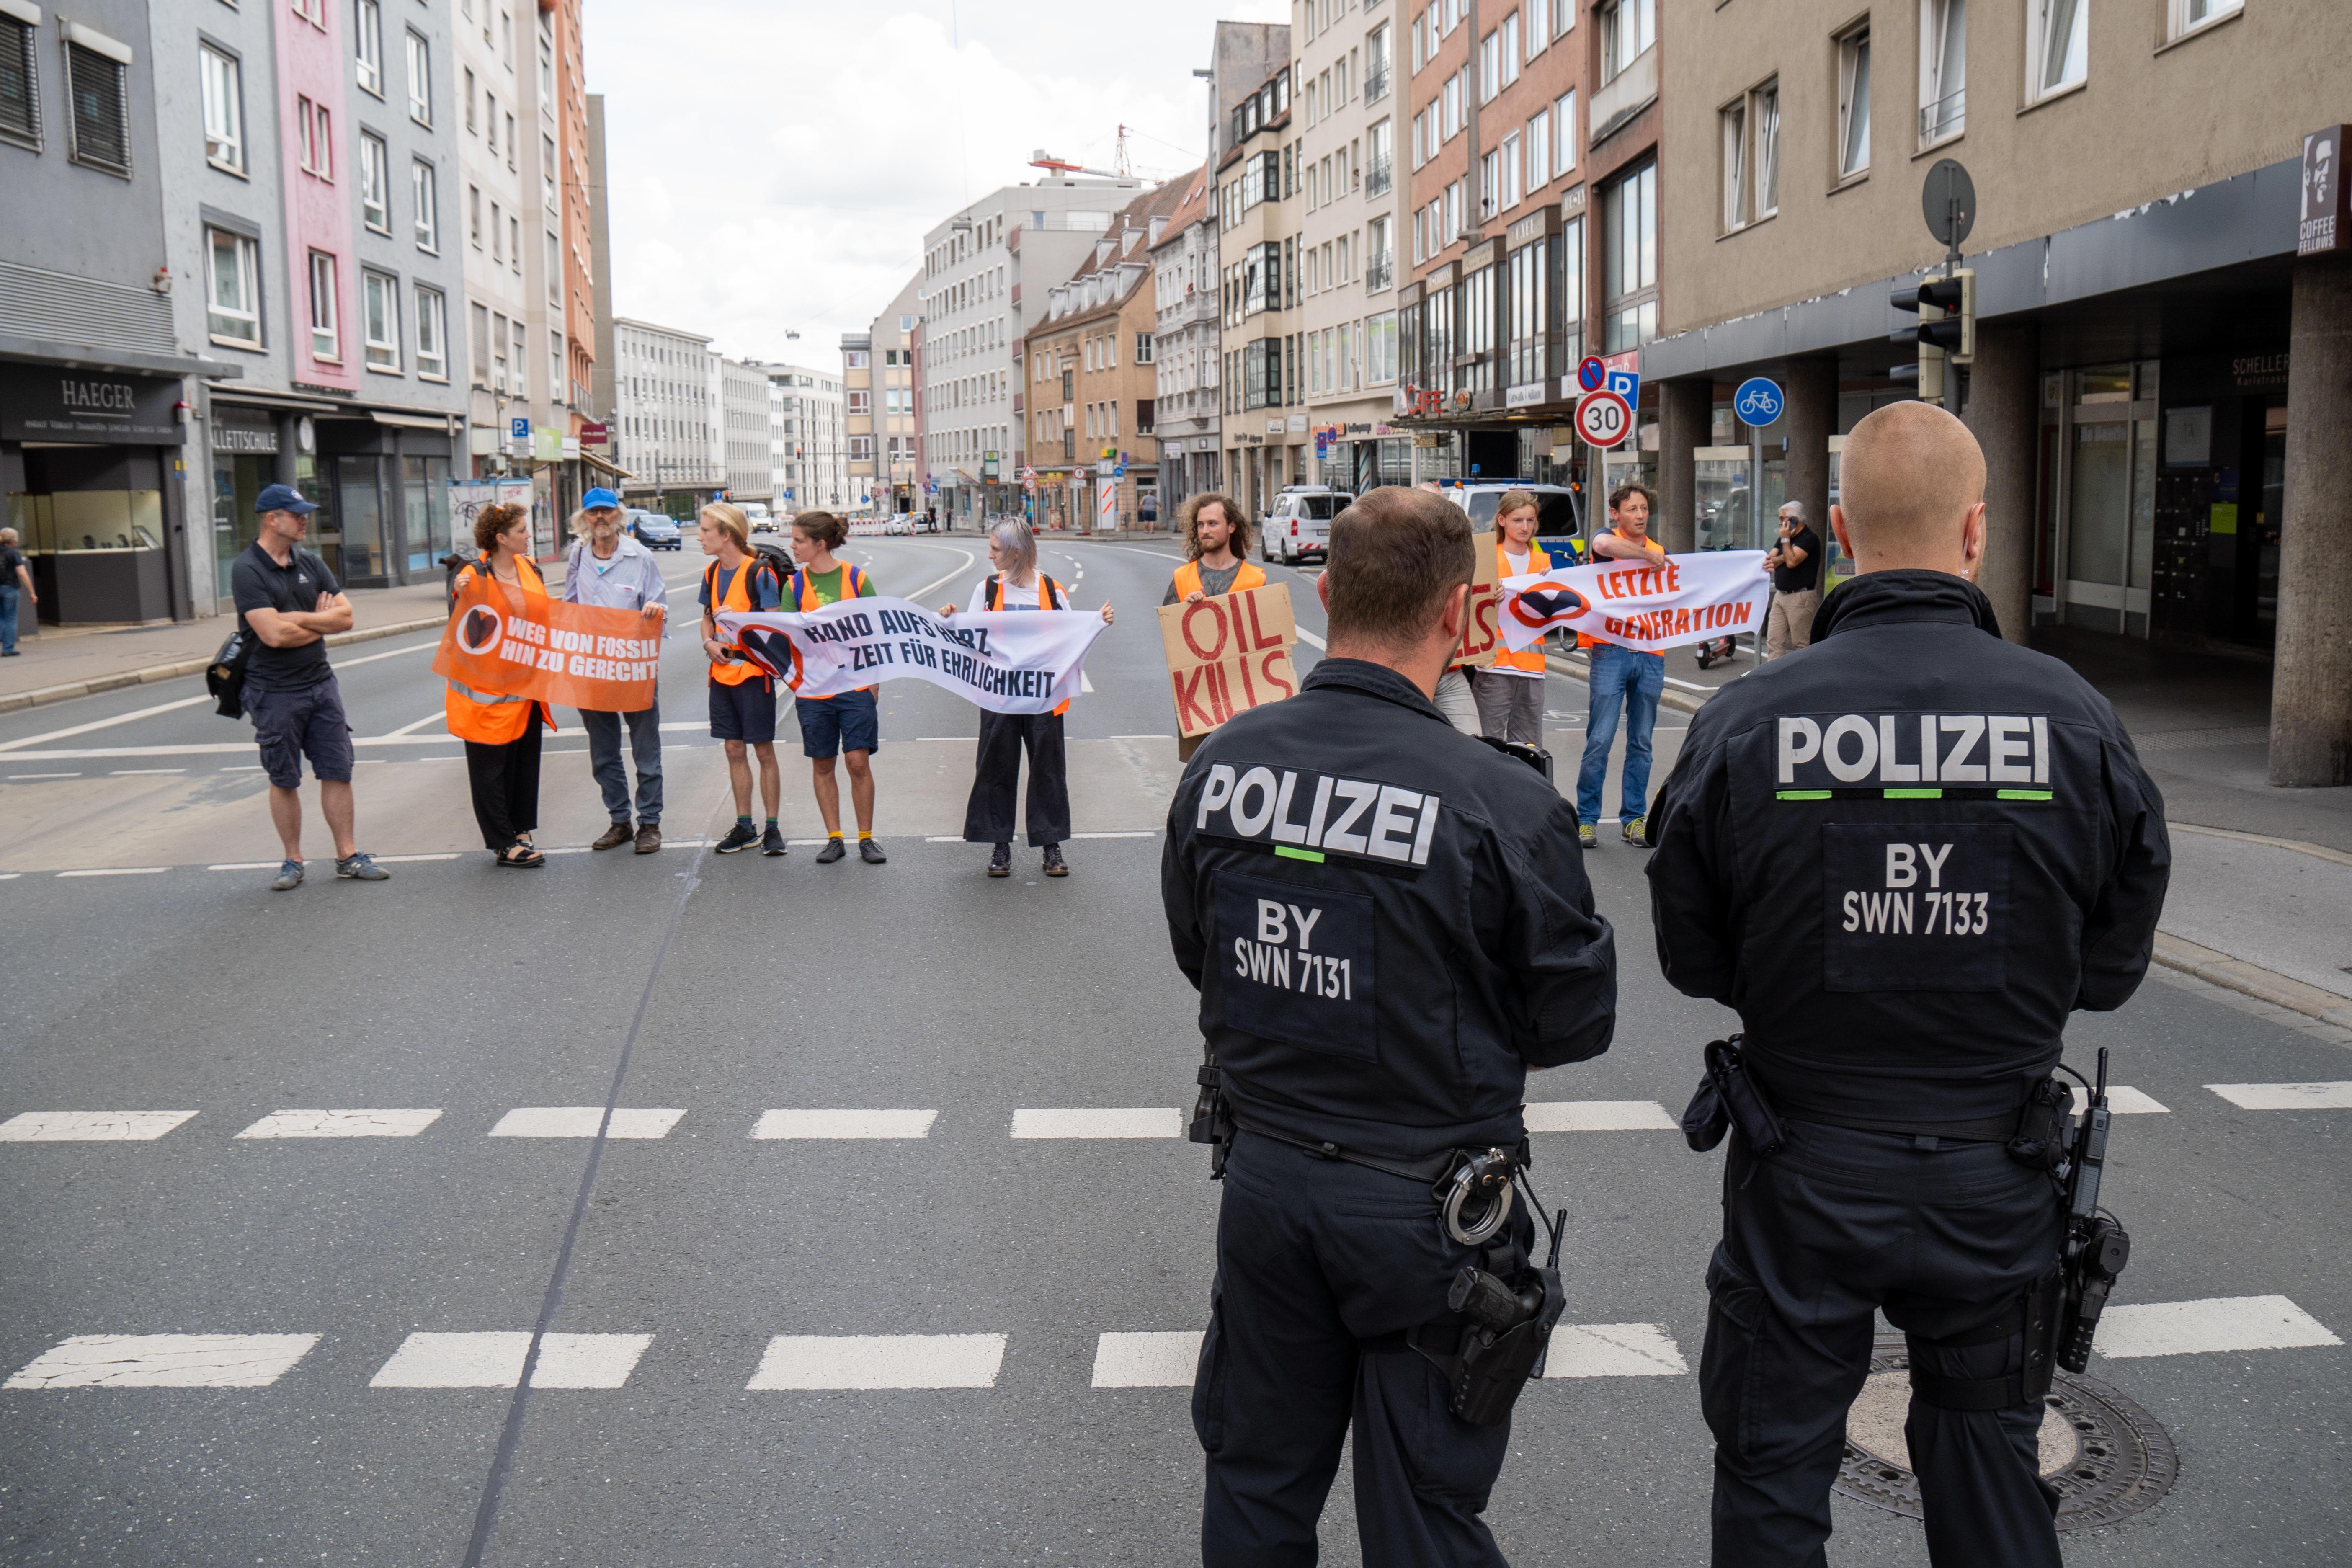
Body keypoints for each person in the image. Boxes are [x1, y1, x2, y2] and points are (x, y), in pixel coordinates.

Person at [1645, 401, 2171, 1568]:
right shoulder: (2075, 722)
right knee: (1991, 1473)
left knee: (1774, 1474)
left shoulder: (1749, 721)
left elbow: (1693, 956)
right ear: (1976, 532)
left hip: (1803, 1169)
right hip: (1998, 1170)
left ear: (1838, 527)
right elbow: (2113, 969)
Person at [1163, 484, 1618, 1567]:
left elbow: (1202, 956)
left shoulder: (1222, 767)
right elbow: (1574, 1021)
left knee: (1257, 1495)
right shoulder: (1502, 801)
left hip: (1269, 1189)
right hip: (1435, 1214)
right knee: (1424, 1520)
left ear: (1324, 594)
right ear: (1465, 616)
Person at [230, 483, 389, 890]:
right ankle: (293, 860)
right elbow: (273, 637)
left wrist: (293, 618)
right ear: (272, 519)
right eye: (296, 513)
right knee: (284, 777)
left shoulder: (312, 563)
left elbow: (346, 618)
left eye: (305, 513)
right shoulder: (247, 569)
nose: (306, 520)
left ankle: (348, 856)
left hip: (321, 684)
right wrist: (315, 621)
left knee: (338, 770)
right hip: (273, 690)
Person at [939, 517, 1113, 878]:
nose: (990, 556)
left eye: (996, 550)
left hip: (1043, 699)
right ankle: (1000, 847)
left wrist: (1096, 622)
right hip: (999, 697)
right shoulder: (986, 591)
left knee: (1048, 771)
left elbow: (1071, 639)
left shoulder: (1051, 591)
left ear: (1017, 553)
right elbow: (969, 641)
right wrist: (951, 620)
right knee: (995, 769)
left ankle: (1051, 846)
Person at [448, 502, 556, 868]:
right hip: (487, 693)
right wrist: (460, 593)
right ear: (501, 539)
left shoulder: (531, 569)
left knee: (524, 762)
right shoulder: (472, 574)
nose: (529, 535)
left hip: (525, 689)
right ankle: (502, 842)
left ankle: (521, 829)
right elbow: (462, 629)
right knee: (489, 769)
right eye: (523, 531)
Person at [563, 487, 667, 854]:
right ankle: (619, 821)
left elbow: (659, 605)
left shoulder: (640, 557)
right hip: (593, 670)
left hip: (634, 670)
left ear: (619, 516)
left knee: (645, 750)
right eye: (594, 514)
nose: (600, 519)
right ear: (585, 519)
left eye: (607, 512)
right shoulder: (578, 555)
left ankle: (650, 824)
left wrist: (655, 611)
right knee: (604, 753)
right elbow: (570, 607)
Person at [783, 510, 887, 864]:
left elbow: (877, 631)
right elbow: (783, 635)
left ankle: (866, 838)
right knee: (823, 763)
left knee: (857, 761)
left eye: (799, 541)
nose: (792, 546)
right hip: (814, 690)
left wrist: (874, 683)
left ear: (820, 544)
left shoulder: (857, 579)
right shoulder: (794, 586)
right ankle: (834, 837)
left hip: (855, 685)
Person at [1576, 482, 1667, 850]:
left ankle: (1634, 819)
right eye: (1632, 509)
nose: (1641, 515)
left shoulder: (1661, 551)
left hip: (1650, 652)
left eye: (1644, 508)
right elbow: (1602, 547)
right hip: (1610, 650)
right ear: (1616, 514)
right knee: (1599, 740)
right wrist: (1646, 558)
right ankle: (1586, 820)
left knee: (1642, 742)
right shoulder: (1606, 539)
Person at [697, 501, 788, 856]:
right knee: (734, 748)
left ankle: (773, 828)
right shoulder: (711, 573)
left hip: (753, 673)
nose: (701, 537)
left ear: (727, 535)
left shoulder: (759, 574)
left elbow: (776, 625)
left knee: (763, 750)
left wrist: (741, 620)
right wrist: (709, 642)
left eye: (706, 531)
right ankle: (745, 825)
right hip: (722, 672)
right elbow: (706, 617)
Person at [1163, 493, 1264, 764]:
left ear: (1231, 527)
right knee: (1200, 774)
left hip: (1244, 695)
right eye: (1200, 525)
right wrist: (1185, 612)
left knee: (1242, 768)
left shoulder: (1256, 579)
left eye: (1212, 524)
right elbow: (1170, 639)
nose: (1205, 531)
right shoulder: (1183, 578)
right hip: (1200, 698)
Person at [1468, 489, 1553, 748]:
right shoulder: (1486, 557)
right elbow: (1466, 605)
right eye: (1518, 520)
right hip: (1494, 667)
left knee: (1528, 749)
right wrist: (1486, 597)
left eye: (1531, 520)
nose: (1525, 527)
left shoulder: (1543, 563)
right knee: (1488, 745)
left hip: (1532, 670)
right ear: (1502, 521)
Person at [1416, 481, 1482, 736]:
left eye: (1442, 507)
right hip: (1407, 671)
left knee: (1474, 744)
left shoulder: (1461, 553)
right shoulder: (1394, 558)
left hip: (1449, 672)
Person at [1762, 500, 1823, 660]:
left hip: (1800, 597)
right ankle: (1773, 679)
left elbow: (1792, 562)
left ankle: (1804, 681)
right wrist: (1785, 553)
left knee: (1801, 644)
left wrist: (1786, 542)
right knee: (1774, 641)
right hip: (1781, 595)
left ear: (1794, 520)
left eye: (1783, 518)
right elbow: (1769, 559)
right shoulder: (1783, 539)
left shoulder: (1809, 539)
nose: (1780, 523)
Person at [0, 524, 33, 654]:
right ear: (13, 541)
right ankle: (8, 649)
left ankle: (4, 640)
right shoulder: (13, 553)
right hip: (10, 589)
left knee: (2, 618)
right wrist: (31, 591)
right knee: (10, 619)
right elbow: (22, 573)